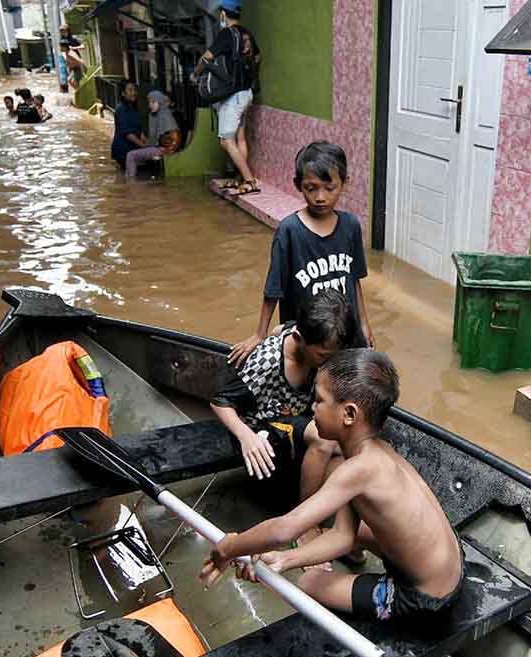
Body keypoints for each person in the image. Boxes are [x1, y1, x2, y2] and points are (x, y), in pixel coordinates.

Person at [201, 349, 466, 623]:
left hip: (426, 597)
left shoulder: (358, 470)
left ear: (349, 414)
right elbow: (343, 535)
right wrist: (284, 559)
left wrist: (229, 547)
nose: (312, 408)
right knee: (357, 531)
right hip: (452, 565)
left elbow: (284, 529)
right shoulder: (376, 451)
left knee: (309, 584)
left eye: (319, 400)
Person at [211, 288, 353, 522]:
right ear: (299, 339)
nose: (330, 363)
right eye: (323, 356)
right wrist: (247, 438)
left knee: (349, 447)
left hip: (298, 418)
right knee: (325, 439)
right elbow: (219, 402)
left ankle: (341, 528)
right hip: (266, 427)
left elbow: (282, 328)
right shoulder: (267, 362)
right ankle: (303, 522)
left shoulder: (307, 335)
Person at [230, 141, 374, 368]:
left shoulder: (351, 226)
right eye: (311, 188)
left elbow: (355, 279)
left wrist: (363, 324)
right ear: (298, 185)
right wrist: (260, 334)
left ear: (344, 183)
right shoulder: (290, 231)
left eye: (329, 188)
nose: (320, 197)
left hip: (345, 333)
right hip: (308, 340)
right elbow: (273, 287)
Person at [190, 0, 261, 196]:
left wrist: (195, 74)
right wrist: (248, 74)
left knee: (225, 141)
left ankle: (249, 181)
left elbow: (207, 57)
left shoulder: (227, 34)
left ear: (223, 14)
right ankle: (240, 179)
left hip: (234, 97)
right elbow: (258, 57)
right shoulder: (246, 33)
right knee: (240, 138)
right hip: (247, 94)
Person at [124, 90, 182, 177]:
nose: (150, 105)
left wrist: (167, 150)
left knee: (131, 155)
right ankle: (130, 181)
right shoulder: (154, 116)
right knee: (132, 156)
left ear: (160, 102)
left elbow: (176, 138)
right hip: (158, 148)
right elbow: (154, 138)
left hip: (163, 150)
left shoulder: (166, 116)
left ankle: (130, 184)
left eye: (153, 102)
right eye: (149, 102)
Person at [111, 81, 145, 169]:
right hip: (123, 150)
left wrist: (143, 137)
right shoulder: (121, 110)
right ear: (123, 93)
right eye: (130, 90)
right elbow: (128, 134)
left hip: (133, 147)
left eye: (134, 90)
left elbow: (138, 128)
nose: (134, 93)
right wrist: (144, 146)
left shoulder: (134, 108)